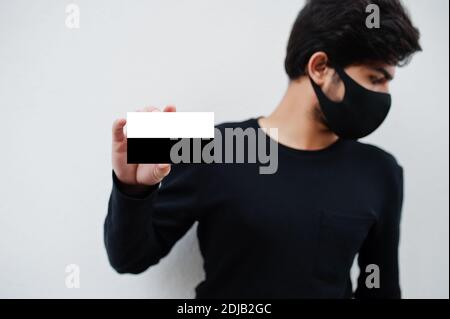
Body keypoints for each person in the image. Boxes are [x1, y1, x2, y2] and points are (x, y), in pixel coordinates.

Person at [104, 0, 421, 298]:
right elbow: (128, 258)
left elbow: (381, 292)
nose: (385, 94)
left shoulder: (381, 171)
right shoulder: (210, 144)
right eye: (375, 79)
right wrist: (134, 188)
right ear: (320, 67)